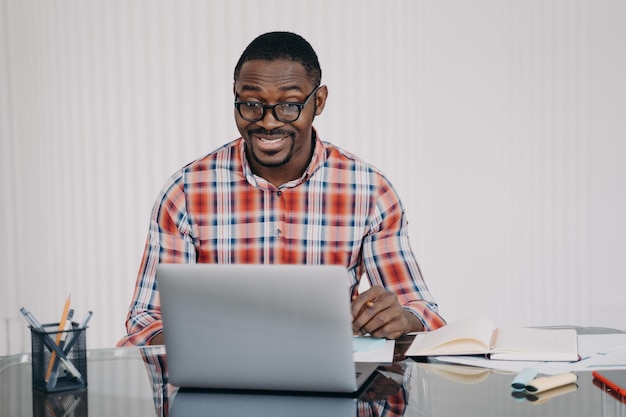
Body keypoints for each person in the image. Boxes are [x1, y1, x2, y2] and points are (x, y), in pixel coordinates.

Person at [118, 31, 445, 347]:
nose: (269, 122)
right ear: (234, 96)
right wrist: (208, 347)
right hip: (221, 390)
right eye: (251, 103)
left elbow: (421, 312)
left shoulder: (370, 192)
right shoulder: (185, 192)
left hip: (330, 389)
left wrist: (400, 316)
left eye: (289, 105)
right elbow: (147, 322)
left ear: (318, 101)